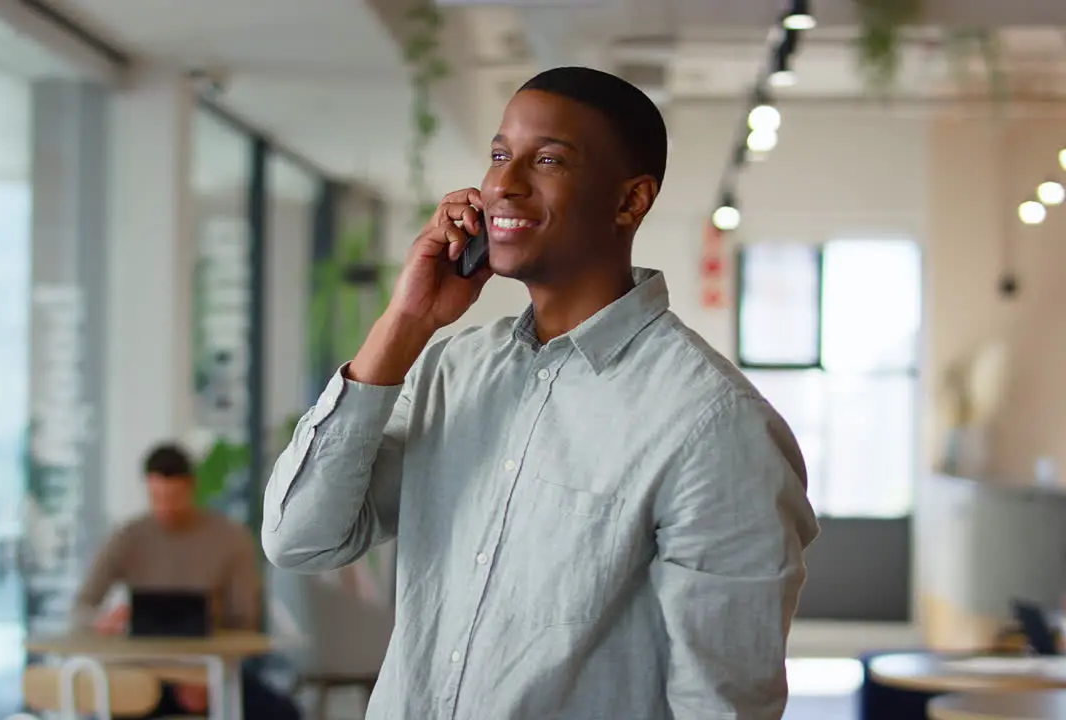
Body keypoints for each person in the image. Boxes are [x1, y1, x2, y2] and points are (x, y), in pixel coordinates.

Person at [263, 66, 820, 719]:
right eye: (500, 155)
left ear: (630, 202)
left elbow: (723, 704)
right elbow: (301, 537)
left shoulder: (714, 424)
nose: (502, 183)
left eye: (548, 159)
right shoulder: (454, 368)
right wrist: (405, 323)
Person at [74, 443, 298, 719]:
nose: (165, 507)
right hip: (144, 674)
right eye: (157, 497)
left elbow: (245, 622)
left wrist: (207, 672)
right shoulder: (128, 537)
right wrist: (100, 620)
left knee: (282, 713)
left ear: (191, 488)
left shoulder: (230, 538)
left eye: (174, 496)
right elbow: (81, 607)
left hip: (211, 669)